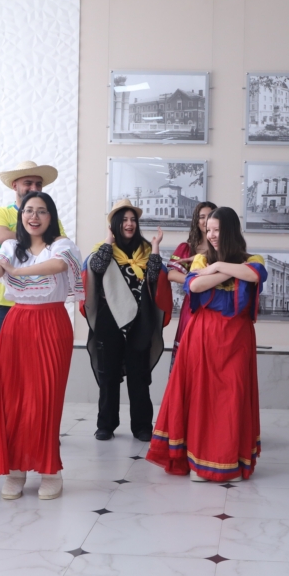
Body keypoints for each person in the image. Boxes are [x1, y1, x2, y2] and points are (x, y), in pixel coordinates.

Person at [0, 191, 84, 500]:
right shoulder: (11, 246)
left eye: (41, 211)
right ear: (21, 216)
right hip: (17, 324)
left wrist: (18, 272)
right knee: (12, 398)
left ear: (51, 216)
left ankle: (50, 471)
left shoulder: (62, 245)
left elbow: (57, 266)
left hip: (51, 324)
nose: (34, 216)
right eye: (29, 210)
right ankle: (15, 470)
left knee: (45, 399)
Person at [146, 207, 268, 482]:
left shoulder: (252, 260)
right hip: (202, 334)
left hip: (237, 338)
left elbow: (255, 275)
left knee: (233, 396)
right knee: (202, 396)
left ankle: (229, 460)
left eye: (217, 230)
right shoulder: (202, 258)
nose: (211, 235)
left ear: (231, 231)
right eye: (208, 229)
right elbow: (195, 286)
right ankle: (198, 462)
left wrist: (217, 268)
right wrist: (226, 270)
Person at [0, 160, 60, 449]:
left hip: (41, 308)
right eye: (28, 183)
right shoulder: (1, 213)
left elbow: (59, 247)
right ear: (15, 186)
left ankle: (37, 429)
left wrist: (38, 238)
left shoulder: (50, 216)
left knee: (37, 374)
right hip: (4, 305)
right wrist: (37, 237)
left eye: (38, 184)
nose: (33, 187)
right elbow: (4, 241)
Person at [81, 199, 171, 442]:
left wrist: (155, 248)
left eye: (133, 220)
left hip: (140, 322)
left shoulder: (145, 250)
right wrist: (108, 241)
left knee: (139, 376)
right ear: (115, 224)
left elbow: (154, 276)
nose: (129, 224)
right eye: (124, 220)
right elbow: (96, 268)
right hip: (109, 321)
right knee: (108, 376)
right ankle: (106, 425)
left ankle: (142, 426)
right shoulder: (104, 249)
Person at [166, 201, 217, 370]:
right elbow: (171, 274)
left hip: (217, 306)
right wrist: (195, 280)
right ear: (196, 220)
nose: (205, 221)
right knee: (189, 353)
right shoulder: (187, 247)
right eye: (202, 217)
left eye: (210, 216)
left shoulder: (224, 249)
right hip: (193, 306)